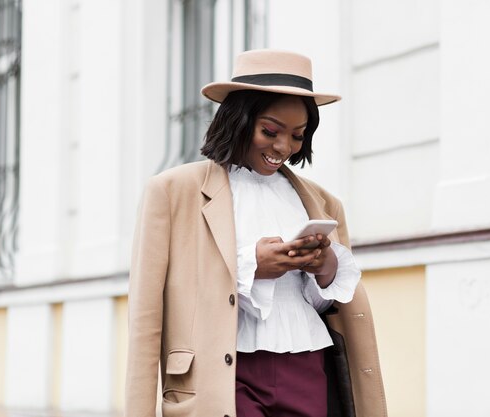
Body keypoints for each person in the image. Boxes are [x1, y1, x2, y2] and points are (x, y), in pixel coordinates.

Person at [125, 49, 387, 417]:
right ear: (238, 119)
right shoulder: (171, 192)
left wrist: (324, 267)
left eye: (297, 135)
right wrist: (252, 265)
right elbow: (146, 319)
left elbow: (329, 308)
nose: (283, 147)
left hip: (309, 367)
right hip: (222, 379)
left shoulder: (325, 204)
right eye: (270, 131)